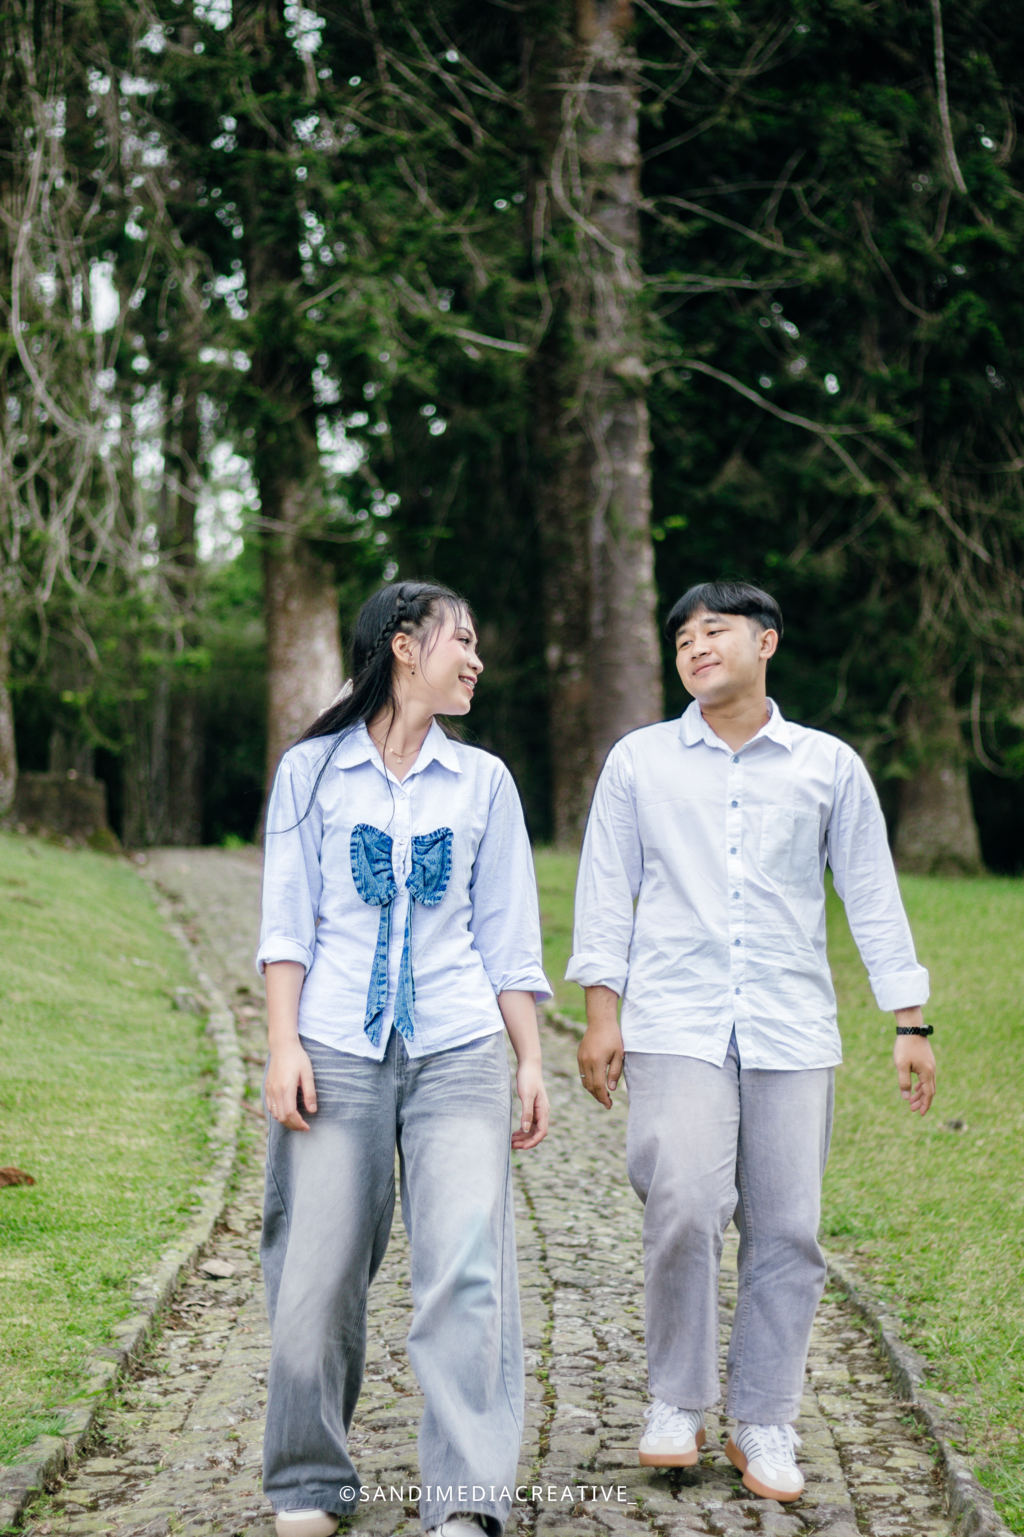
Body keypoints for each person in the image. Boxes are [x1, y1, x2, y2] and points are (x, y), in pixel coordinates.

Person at [568, 579, 935, 1504]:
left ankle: (763, 1416)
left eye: (714, 631)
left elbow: (872, 893)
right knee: (683, 1199)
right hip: (675, 1019)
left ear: (766, 642)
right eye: (682, 638)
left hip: (790, 1025)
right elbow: (606, 890)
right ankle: (676, 1401)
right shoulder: (640, 761)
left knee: (788, 1228)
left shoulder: (827, 766)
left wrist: (909, 1020)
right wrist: (602, 1012)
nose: (695, 648)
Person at [257, 580, 551, 1537]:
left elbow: (506, 936)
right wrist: (283, 1044)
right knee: (315, 1270)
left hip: (459, 1049)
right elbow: (286, 925)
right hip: (334, 1048)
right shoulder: (309, 772)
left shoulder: (485, 782)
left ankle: (465, 1497)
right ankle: (308, 1478)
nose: (476, 660)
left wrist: (529, 1060)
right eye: (462, 639)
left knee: (465, 1273)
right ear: (402, 645)